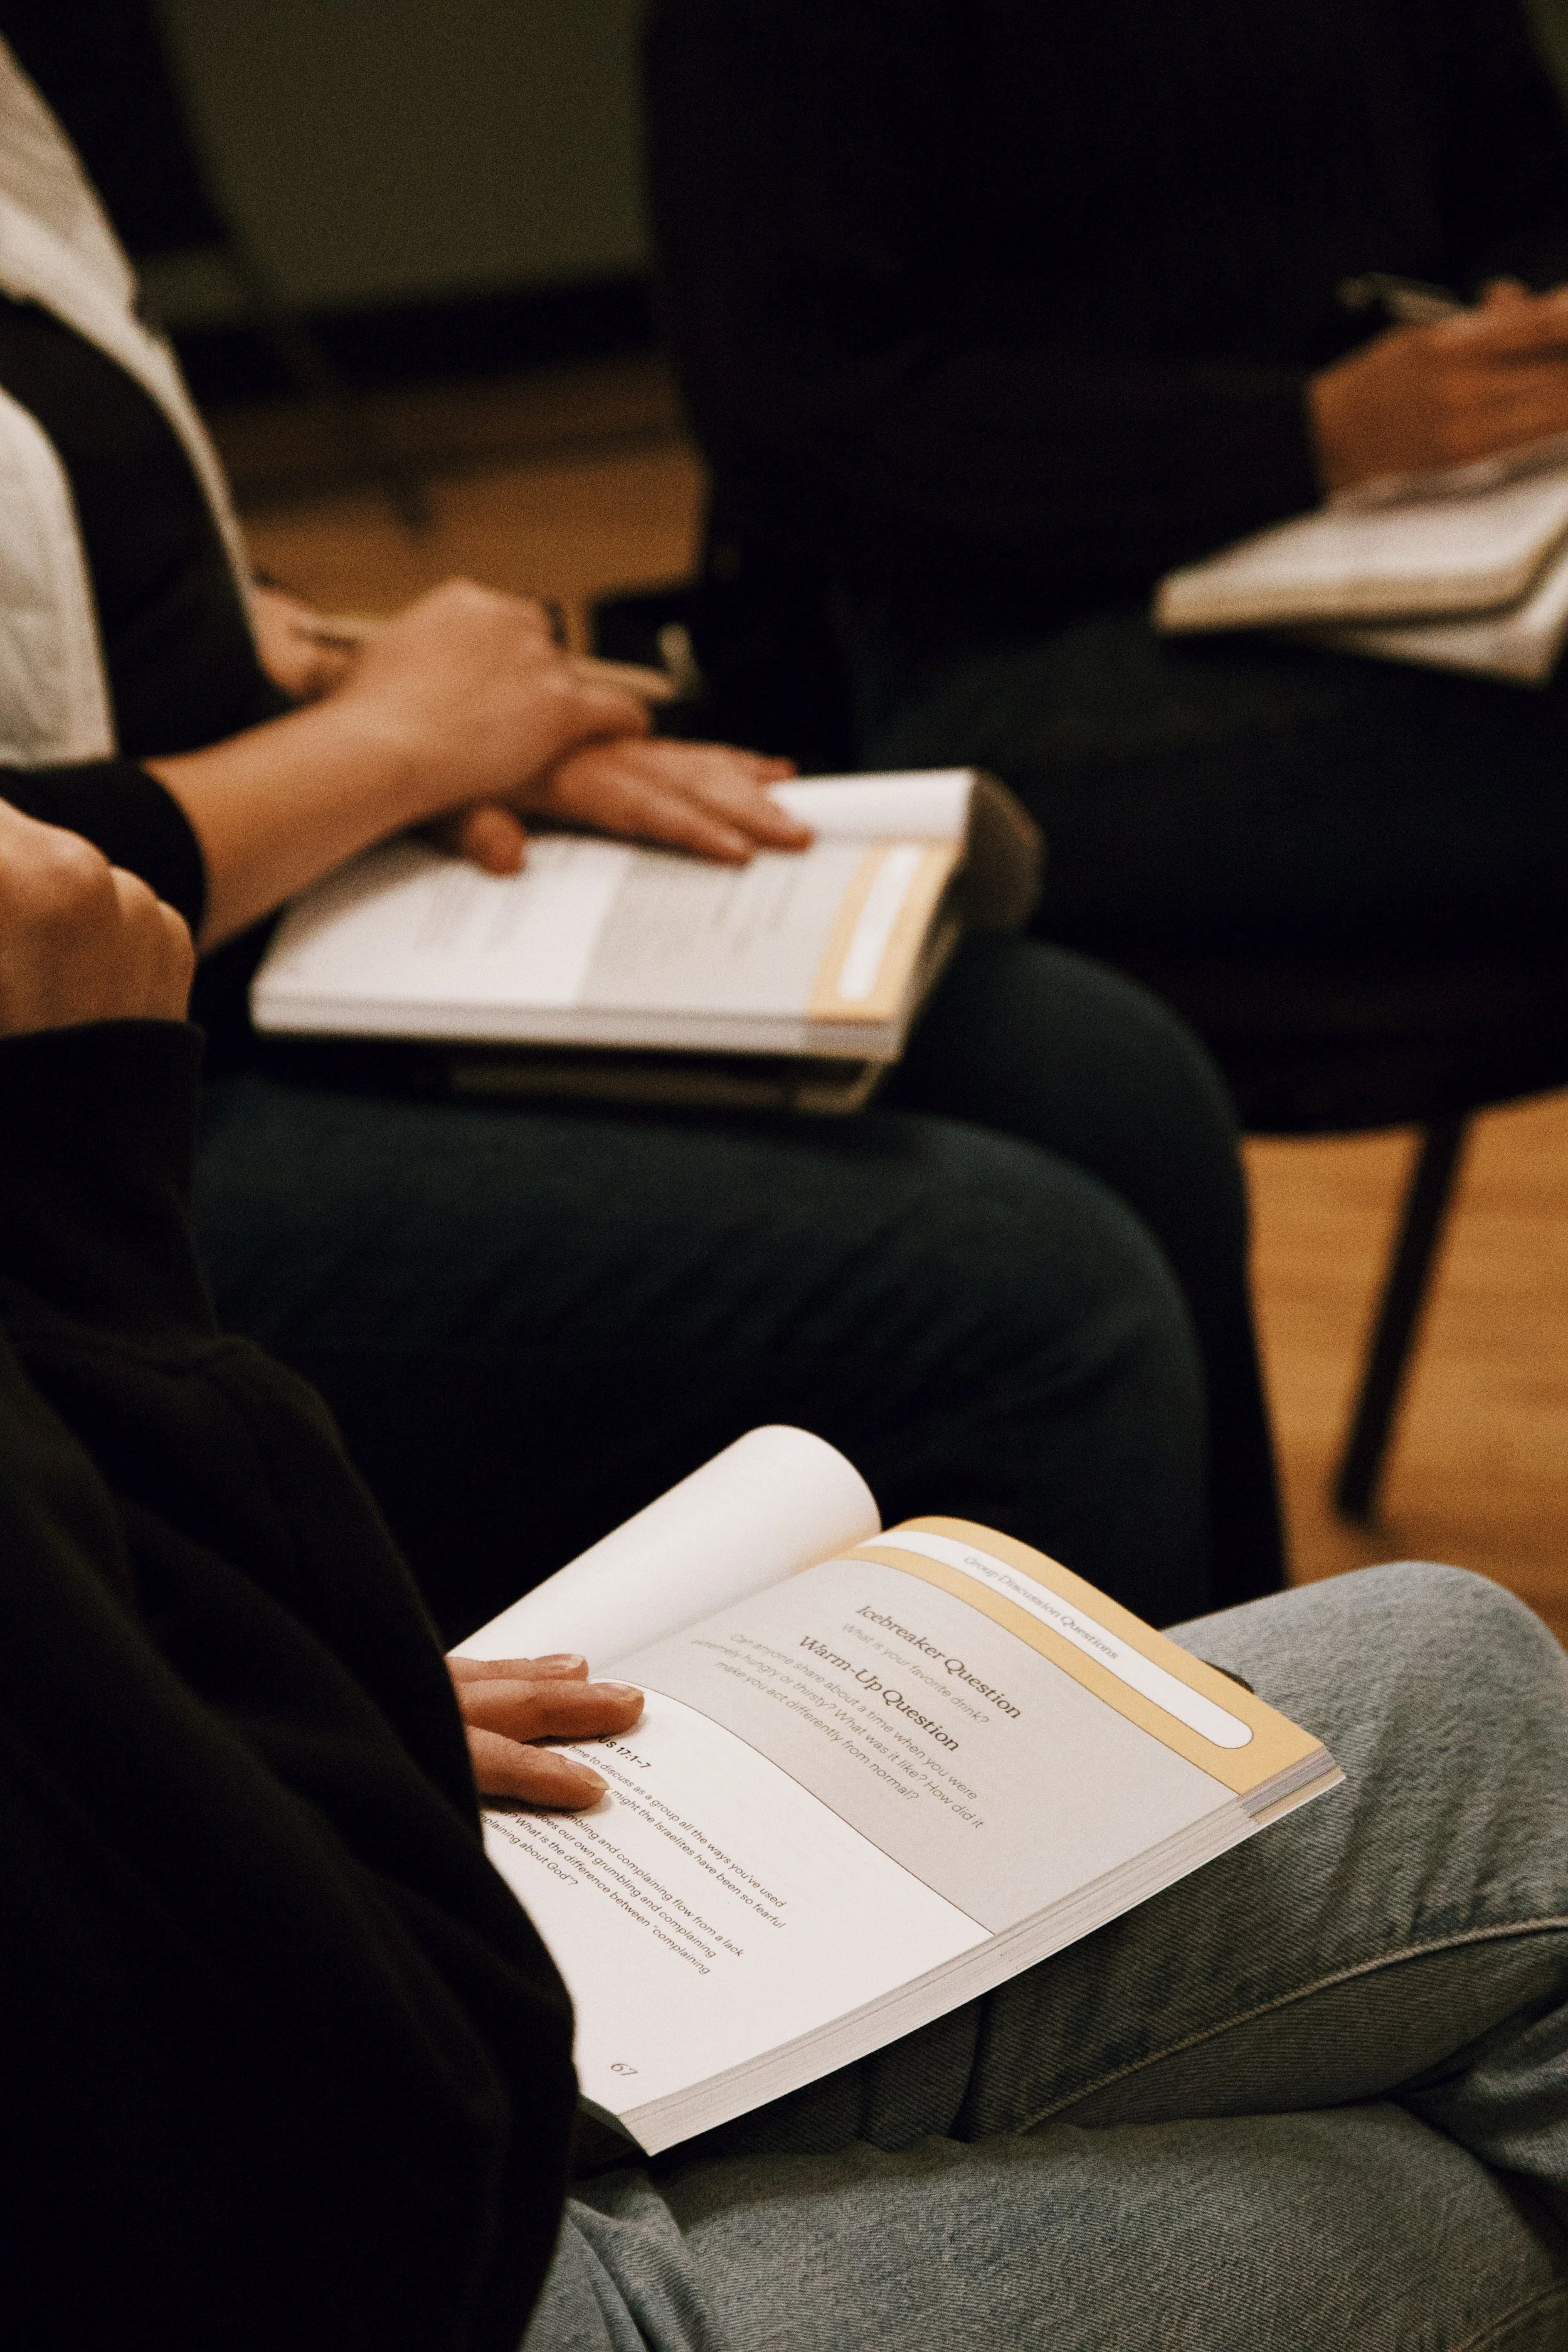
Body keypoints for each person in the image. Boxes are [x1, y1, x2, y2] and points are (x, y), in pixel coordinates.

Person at [5, 797, 1568, 2352]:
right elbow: (392, 2168)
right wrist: (80, 1191)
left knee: (1470, 1694)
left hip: (236, 2058)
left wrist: (211, 1701)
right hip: (320, 2237)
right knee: (1435, 2199)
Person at [0, 34, 1282, 1632]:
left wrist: (447, 707)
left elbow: (114, 598)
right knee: (1036, 1304)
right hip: (78, 1121)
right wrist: (386, 746)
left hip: (254, 906)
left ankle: (1250, 1772)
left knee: (1099, 1073)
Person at [644, 0, 1568, 980]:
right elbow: (800, 421)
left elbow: (1525, 183)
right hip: (988, 642)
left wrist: (1528, 319)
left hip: (1442, 542)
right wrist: (1307, 437)